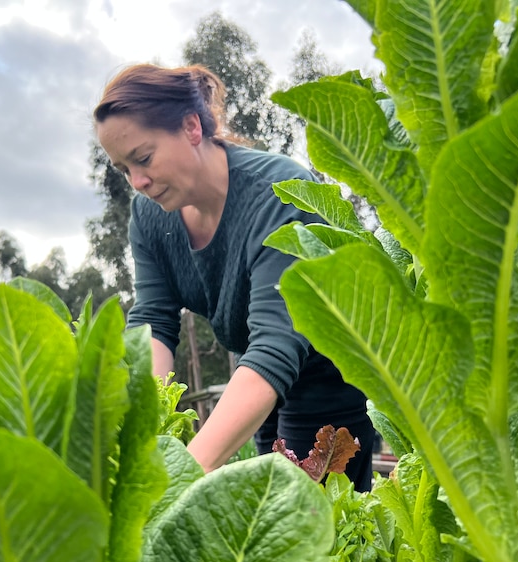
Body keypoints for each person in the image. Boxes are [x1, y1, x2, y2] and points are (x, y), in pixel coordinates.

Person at [94, 63, 374, 491]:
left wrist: (179, 480)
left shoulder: (278, 193)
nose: (138, 181)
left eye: (144, 158)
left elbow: (276, 345)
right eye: (123, 169)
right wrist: (146, 432)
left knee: (325, 533)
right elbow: (154, 321)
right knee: (269, 521)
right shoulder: (150, 217)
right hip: (260, 384)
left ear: (191, 127)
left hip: (324, 381)